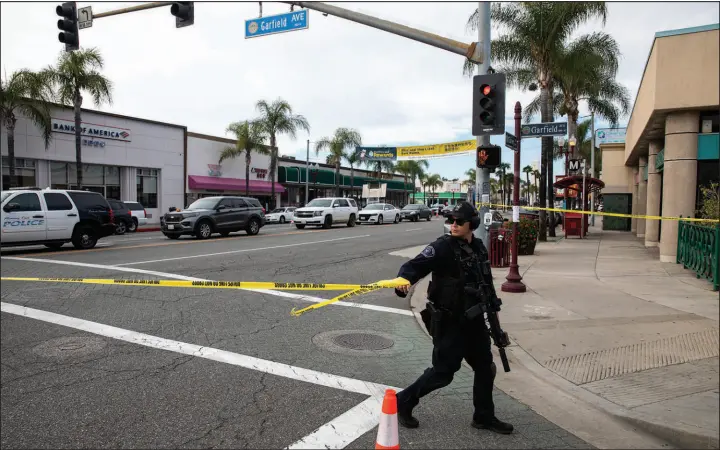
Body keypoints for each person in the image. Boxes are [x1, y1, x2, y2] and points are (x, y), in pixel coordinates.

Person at [391, 202, 514, 434]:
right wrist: (403, 283)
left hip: (475, 322)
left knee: (486, 368)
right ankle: (404, 401)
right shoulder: (442, 247)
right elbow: (413, 266)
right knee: (443, 373)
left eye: (459, 222)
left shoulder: (479, 248)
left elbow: (486, 282)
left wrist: (494, 312)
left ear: (472, 225)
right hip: (449, 323)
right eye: (451, 221)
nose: (454, 225)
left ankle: (484, 417)